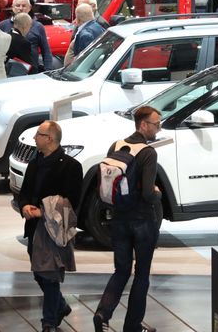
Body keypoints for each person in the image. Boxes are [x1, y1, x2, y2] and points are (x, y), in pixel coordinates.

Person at [93, 106, 164, 332]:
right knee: (141, 274)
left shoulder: (116, 146)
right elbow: (147, 194)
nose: (158, 128)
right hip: (142, 220)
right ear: (143, 124)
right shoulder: (148, 153)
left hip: (119, 219)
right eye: (156, 124)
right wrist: (157, 193)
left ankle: (102, 313)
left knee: (121, 270)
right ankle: (132, 326)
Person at [17, 120, 82, 332]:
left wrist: (43, 211)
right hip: (34, 227)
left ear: (50, 139)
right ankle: (61, 305)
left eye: (38, 134)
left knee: (50, 274)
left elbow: (71, 201)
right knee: (39, 272)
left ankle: (49, 322)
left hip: (53, 230)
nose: (35, 138)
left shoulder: (71, 167)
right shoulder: (35, 162)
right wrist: (25, 205)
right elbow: (25, 190)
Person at [0, 0, 53, 72]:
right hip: (7, 73)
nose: (20, 8)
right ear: (12, 7)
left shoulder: (38, 26)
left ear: (29, 8)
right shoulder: (2, 25)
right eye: (17, 5)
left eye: (24, 6)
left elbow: (46, 51)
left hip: (32, 73)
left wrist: (48, 71)